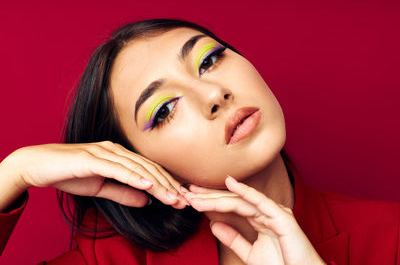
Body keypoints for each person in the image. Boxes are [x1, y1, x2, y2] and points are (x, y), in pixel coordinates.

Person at [0, 18, 399, 265]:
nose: (213, 95)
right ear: (137, 160)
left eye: (208, 61)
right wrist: (12, 173)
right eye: (164, 110)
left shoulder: (390, 237)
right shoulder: (110, 259)